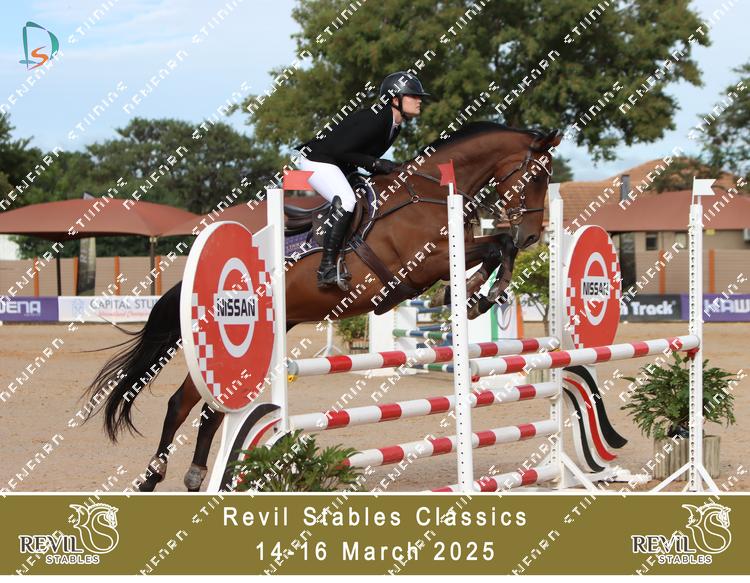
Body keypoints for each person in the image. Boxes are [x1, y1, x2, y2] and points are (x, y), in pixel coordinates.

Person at [295, 71, 430, 287]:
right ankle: (326, 268)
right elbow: (341, 151)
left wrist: (379, 166)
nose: (419, 100)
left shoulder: (394, 126)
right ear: (395, 99)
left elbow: (354, 154)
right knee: (347, 200)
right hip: (316, 160)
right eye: (413, 96)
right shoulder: (377, 118)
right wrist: (375, 164)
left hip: (338, 163)